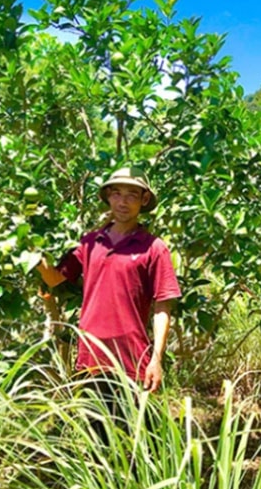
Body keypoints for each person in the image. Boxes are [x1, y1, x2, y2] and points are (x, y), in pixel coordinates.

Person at [36, 167, 181, 393]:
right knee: (91, 426)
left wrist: (156, 359)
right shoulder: (90, 243)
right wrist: (28, 250)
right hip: (90, 358)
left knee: (130, 427)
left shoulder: (154, 248)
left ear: (144, 200)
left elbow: (163, 306)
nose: (123, 202)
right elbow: (55, 279)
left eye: (132, 195)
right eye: (116, 194)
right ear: (108, 197)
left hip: (131, 360)